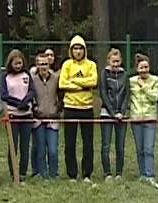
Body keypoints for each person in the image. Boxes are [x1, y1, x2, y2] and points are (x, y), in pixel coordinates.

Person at [59, 35, 98, 182]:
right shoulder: (67, 65)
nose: (78, 51)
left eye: (80, 48)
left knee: (88, 142)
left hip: (86, 107)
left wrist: (74, 81)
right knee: (70, 142)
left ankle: (87, 173)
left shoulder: (91, 65)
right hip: (70, 107)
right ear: (71, 50)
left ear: (85, 50)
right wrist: (83, 84)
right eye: (75, 48)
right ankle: (72, 174)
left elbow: (93, 81)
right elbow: (62, 84)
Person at [0, 49, 36, 182]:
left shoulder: (27, 75)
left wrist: (26, 102)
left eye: (20, 63)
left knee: (25, 146)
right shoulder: (5, 76)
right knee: (13, 146)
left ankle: (23, 173)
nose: (18, 66)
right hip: (12, 115)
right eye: (15, 64)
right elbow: (4, 95)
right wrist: (18, 104)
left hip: (27, 115)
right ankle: (13, 173)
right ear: (10, 63)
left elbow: (32, 91)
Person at [128, 54, 158, 189]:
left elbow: (154, 97)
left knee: (149, 148)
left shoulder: (155, 80)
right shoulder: (131, 81)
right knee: (139, 149)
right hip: (136, 118)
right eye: (141, 68)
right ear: (137, 69)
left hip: (150, 118)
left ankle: (150, 175)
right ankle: (142, 174)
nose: (144, 70)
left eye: (146, 67)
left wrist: (144, 86)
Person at [99, 48, 129, 181]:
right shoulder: (104, 74)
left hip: (121, 115)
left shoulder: (124, 75)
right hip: (106, 113)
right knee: (106, 144)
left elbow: (126, 94)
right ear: (108, 61)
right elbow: (103, 93)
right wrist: (112, 112)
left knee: (120, 146)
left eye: (118, 61)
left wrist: (121, 112)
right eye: (113, 61)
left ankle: (119, 173)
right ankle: (107, 173)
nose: (116, 64)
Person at [31, 52, 61, 179]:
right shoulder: (32, 80)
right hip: (38, 119)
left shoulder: (55, 78)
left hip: (53, 118)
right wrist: (35, 108)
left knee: (53, 150)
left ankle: (53, 174)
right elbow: (29, 96)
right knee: (40, 149)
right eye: (40, 64)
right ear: (36, 65)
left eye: (45, 64)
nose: (43, 67)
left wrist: (58, 108)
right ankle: (42, 174)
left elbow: (62, 96)